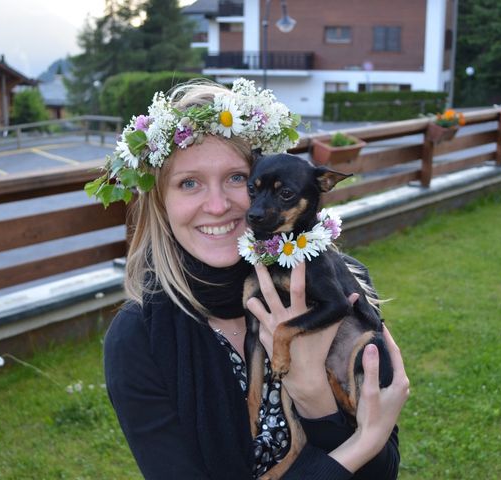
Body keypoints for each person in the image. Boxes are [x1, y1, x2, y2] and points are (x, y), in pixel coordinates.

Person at [94, 78, 410, 479]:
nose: (218, 206)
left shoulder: (343, 279)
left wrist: (315, 398)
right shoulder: (139, 338)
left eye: (236, 178)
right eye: (189, 183)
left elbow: (383, 472)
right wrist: (358, 444)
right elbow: (370, 451)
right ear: (160, 202)